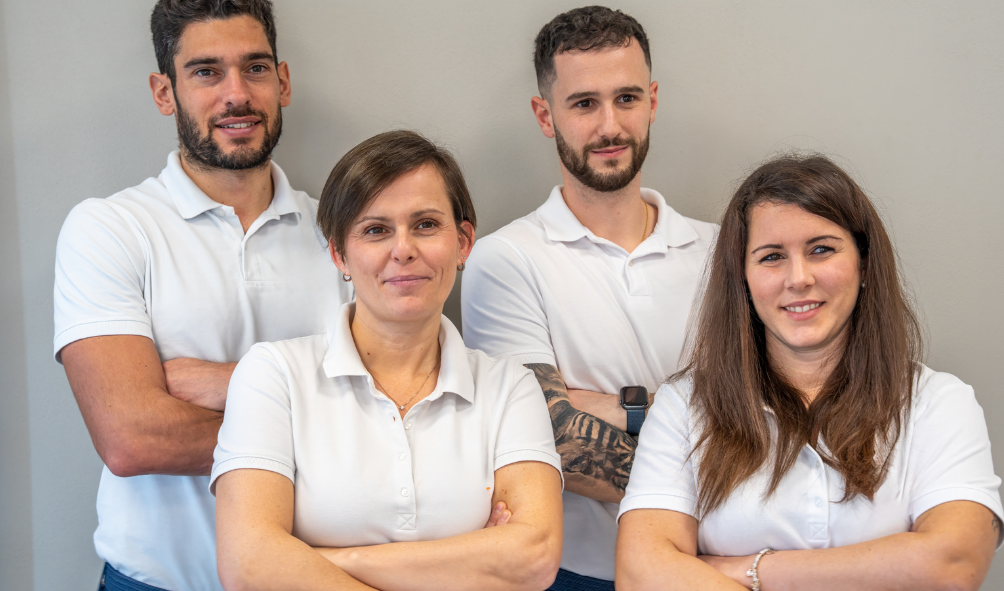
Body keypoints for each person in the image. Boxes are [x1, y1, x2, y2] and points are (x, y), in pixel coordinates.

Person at [53, 1, 351, 589]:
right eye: (206, 72)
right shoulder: (109, 229)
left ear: (283, 82)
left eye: (255, 68)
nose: (236, 94)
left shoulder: (345, 235)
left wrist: (224, 382)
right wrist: (332, 419)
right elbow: (132, 439)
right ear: (165, 92)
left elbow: (400, 402)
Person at [616, 154, 1003, 591]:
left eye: (821, 249)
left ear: (865, 264)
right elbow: (640, 573)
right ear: (743, 279)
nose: (798, 278)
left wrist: (747, 568)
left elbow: (953, 564)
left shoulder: (939, 401)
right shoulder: (683, 407)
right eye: (771, 257)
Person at [211, 130, 564, 591]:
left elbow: (533, 556)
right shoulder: (273, 375)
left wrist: (323, 559)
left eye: (426, 225)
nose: (403, 250)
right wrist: (474, 559)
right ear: (339, 254)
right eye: (376, 230)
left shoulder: (509, 387)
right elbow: (249, 563)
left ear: (463, 242)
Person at [461, 6, 717, 589]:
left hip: (713, 566)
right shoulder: (505, 260)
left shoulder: (722, 250)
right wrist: (695, 422)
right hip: (577, 575)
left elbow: (769, 411)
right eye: (583, 104)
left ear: (652, 101)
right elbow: (543, 436)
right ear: (544, 115)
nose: (610, 126)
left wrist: (607, 406)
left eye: (626, 99)